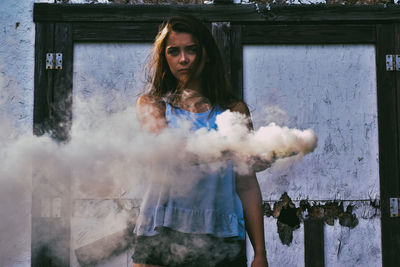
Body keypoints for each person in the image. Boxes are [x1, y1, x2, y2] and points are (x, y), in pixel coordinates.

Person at [133, 15, 269, 267]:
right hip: (163, 229)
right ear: (165, 58)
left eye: (191, 50)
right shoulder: (153, 106)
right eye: (174, 52)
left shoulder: (233, 110)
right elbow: (169, 153)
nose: (183, 59)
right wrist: (229, 148)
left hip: (222, 233)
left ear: (205, 53)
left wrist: (260, 252)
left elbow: (247, 185)